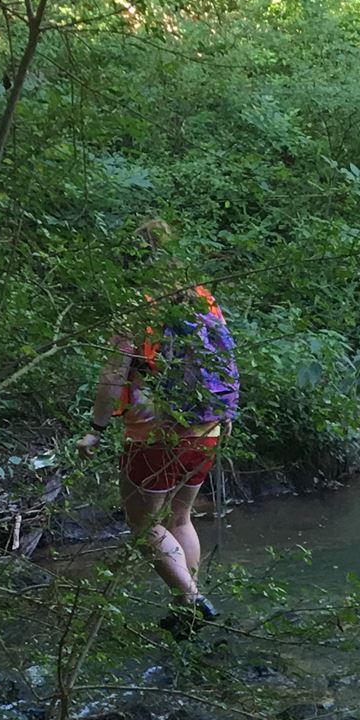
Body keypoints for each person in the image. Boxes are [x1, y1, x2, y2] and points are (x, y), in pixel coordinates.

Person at [85, 220, 238, 626]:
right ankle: (184, 609)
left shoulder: (138, 305)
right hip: (206, 426)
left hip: (153, 433)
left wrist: (96, 429)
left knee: (143, 525)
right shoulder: (203, 298)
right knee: (180, 518)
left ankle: (191, 600)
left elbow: (114, 373)